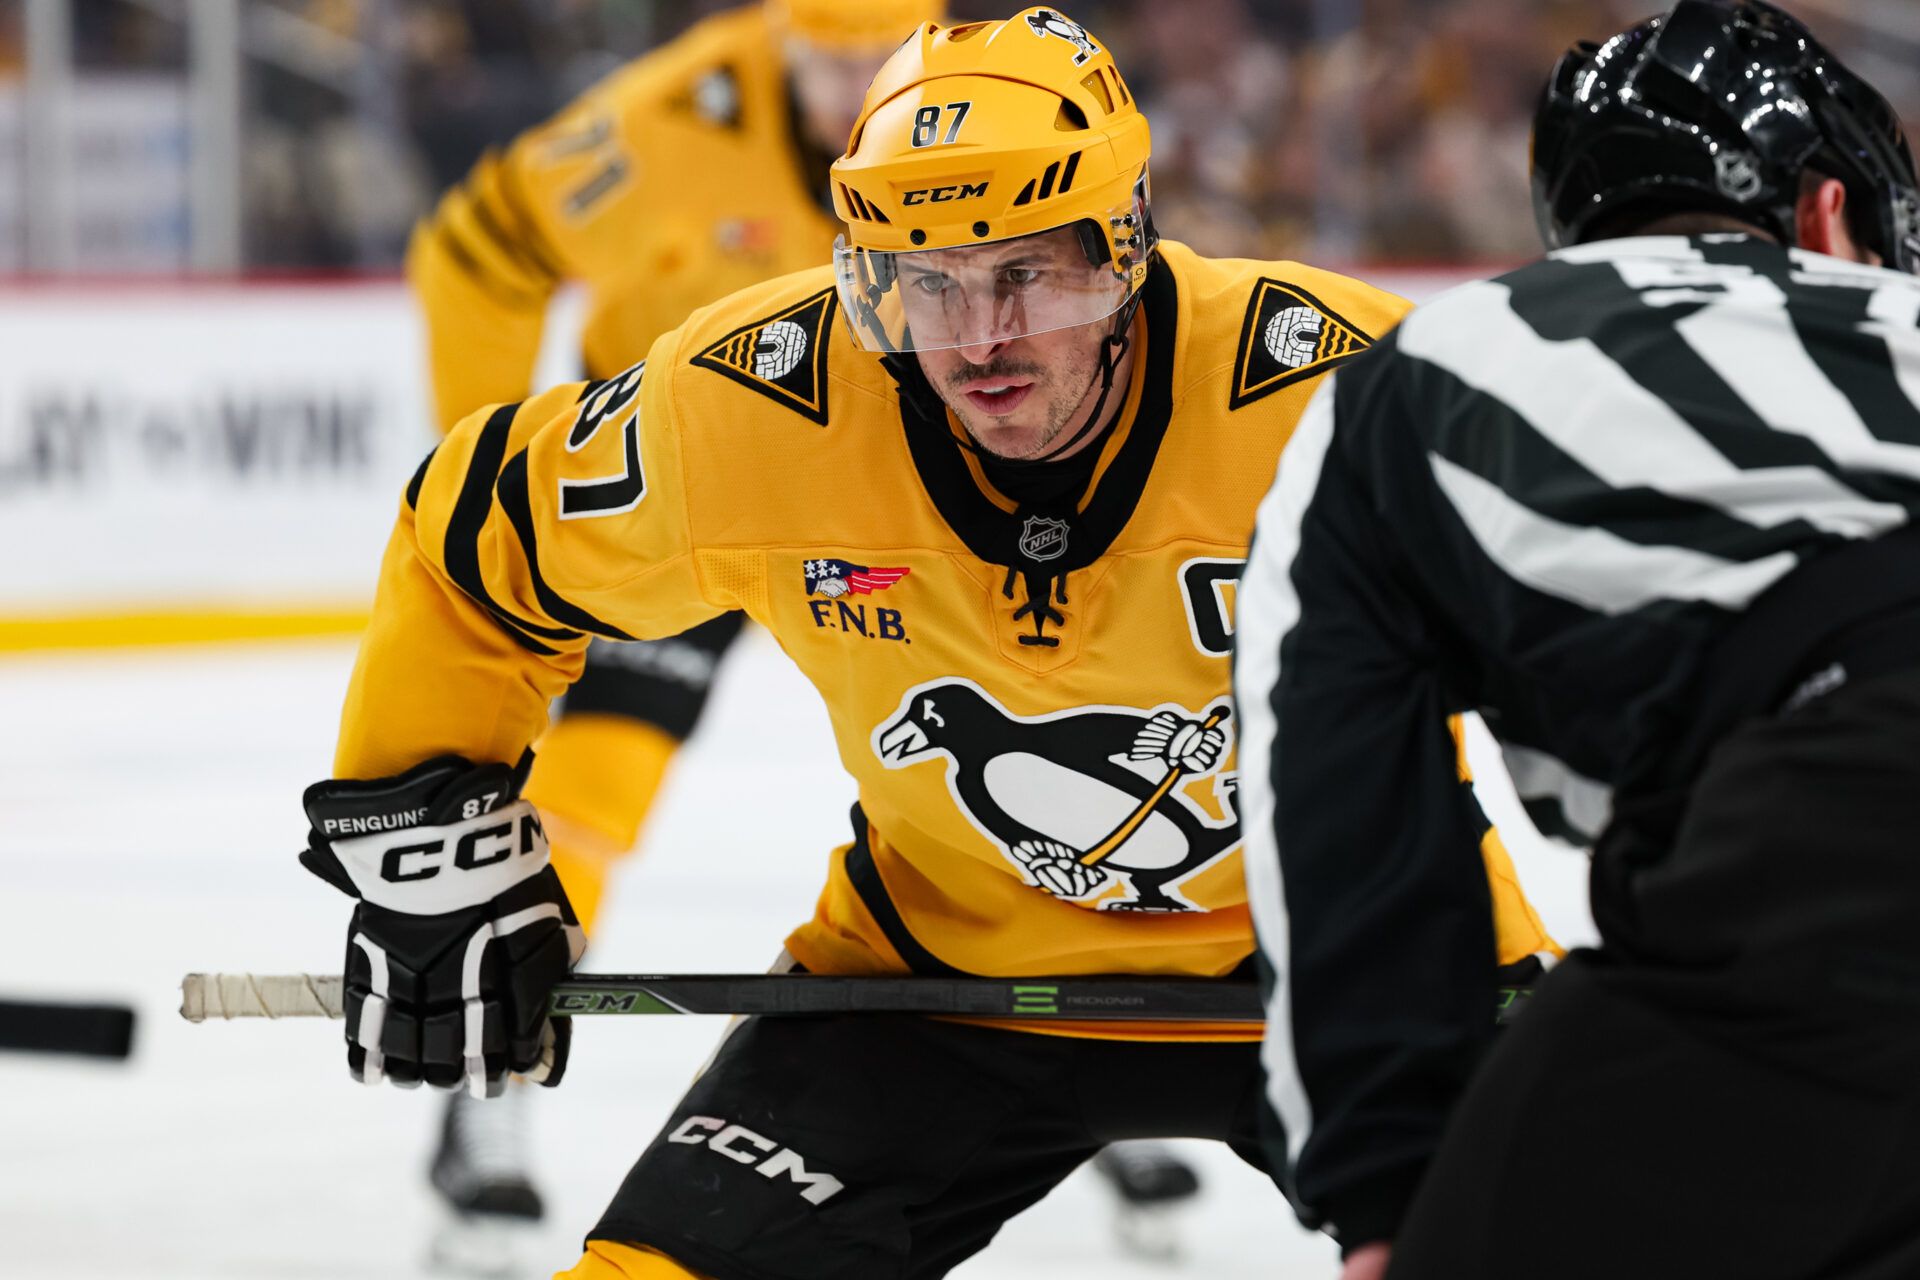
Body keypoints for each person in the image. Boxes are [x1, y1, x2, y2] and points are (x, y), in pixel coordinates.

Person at [299, 10, 1557, 1278]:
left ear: (1122, 245)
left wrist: (1713, 852)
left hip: (1368, 957)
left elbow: (1621, 603)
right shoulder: (760, 406)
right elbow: (475, 538)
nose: (977, 341)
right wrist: (426, 843)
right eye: (928, 280)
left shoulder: (1346, 389)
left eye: (1028, 272)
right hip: (934, 987)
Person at [1234, 3, 1920, 1278]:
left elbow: (1334, 782)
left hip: (1827, 837)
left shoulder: (1439, 366)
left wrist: (1384, 1178)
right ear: (1832, 216)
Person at [403, 0, 944, 1249]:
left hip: (891, 505)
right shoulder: (657, 125)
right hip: (679, 505)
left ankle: (1095, 1083)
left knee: (1008, 763)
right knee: (596, 787)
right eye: (830, 64)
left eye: (884, 61)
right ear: (776, 41)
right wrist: (485, 499)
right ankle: (496, 1084)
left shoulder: (993, 106)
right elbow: (476, 254)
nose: (859, 88)